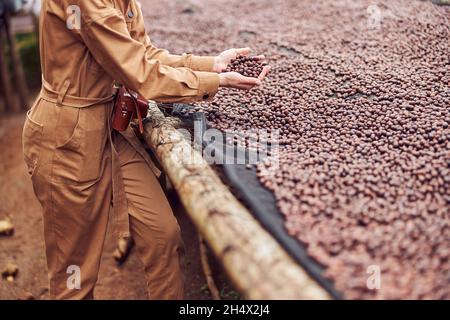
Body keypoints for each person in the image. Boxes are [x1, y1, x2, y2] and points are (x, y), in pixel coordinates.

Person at [22, 0, 269, 300]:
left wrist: (211, 64)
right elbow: (139, 73)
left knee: (162, 235)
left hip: (112, 128)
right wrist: (216, 81)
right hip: (68, 138)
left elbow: (144, 54)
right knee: (74, 276)